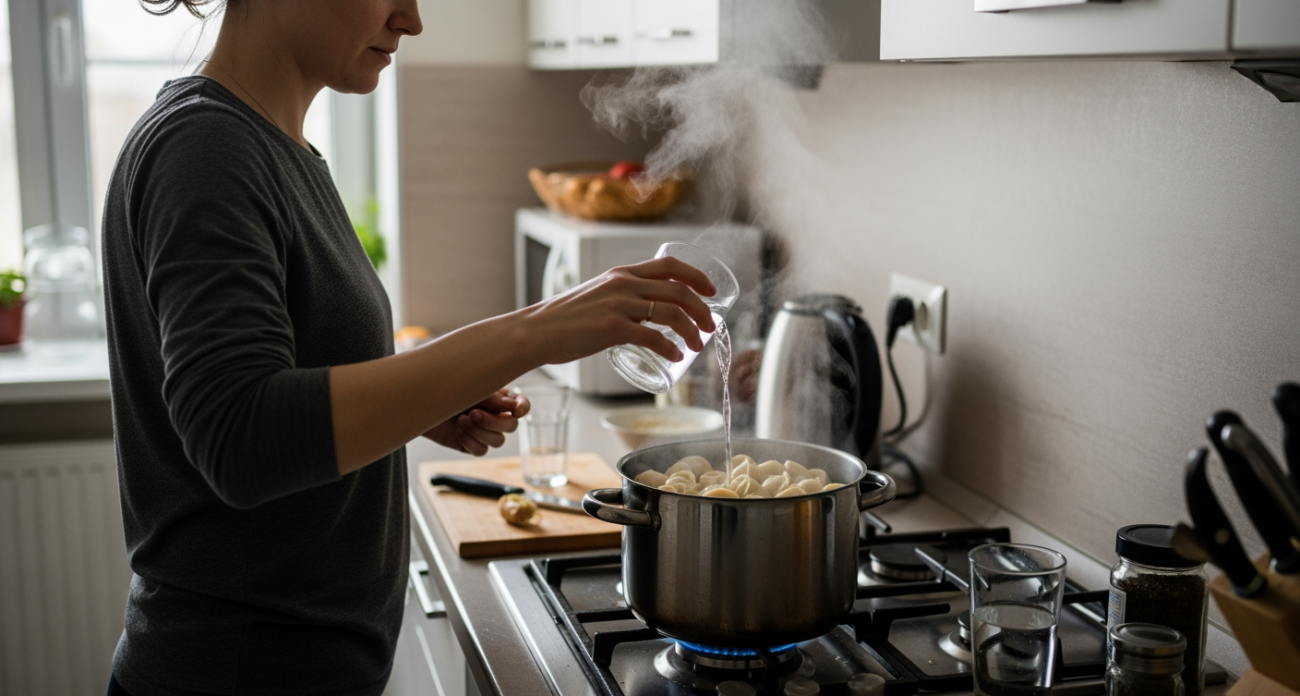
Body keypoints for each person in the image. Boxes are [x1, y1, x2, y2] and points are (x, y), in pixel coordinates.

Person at [101, 0, 717, 694]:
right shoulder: (206, 148)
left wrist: (422, 398)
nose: (411, 19)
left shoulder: (275, 146)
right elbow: (240, 438)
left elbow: (290, 370)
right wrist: (539, 330)